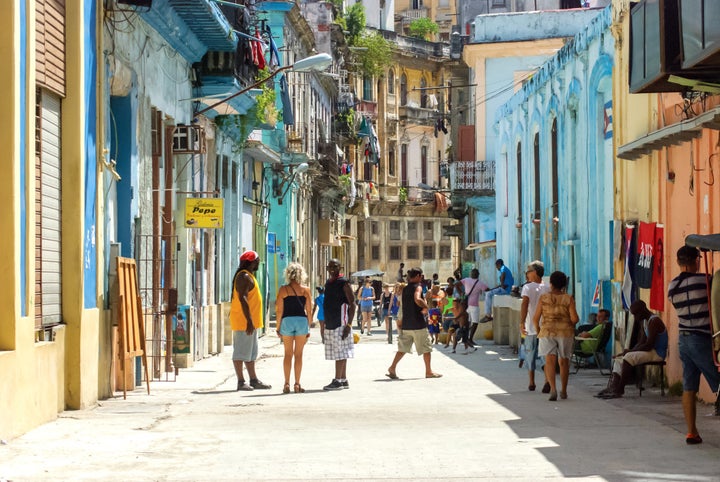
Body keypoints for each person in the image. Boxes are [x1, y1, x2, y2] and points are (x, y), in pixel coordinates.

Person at [667, 245, 720, 445]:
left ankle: (691, 432)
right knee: (718, 382)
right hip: (702, 338)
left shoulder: (672, 287)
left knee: (689, 386)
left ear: (679, 262)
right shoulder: (705, 280)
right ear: (695, 260)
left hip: (684, 339)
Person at [596, 300, 667, 400]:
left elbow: (649, 345)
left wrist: (630, 352)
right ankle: (613, 387)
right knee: (619, 359)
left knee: (629, 357)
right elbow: (642, 341)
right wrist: (628, 351)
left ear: (642, 311)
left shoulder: (654, 321)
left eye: (636, 314)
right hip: (651, 351)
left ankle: (620, 389)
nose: (635, 318)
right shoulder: (646, 321)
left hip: (657, 353)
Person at [386, 268, 442, 380]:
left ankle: (392, 368)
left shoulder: (405, 289)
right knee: (426, 349)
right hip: (418, 324)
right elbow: (417, 299)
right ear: (417, 276)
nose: (421, 278)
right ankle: (429, 371)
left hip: (407, 324)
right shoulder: (418, 287)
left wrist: (425, 299)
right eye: (421, 276)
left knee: (402, 348)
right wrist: (426, 307)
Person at [229, 250, 272, 392]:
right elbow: (243, 298)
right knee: (241, 352)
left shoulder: (249, 276)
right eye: (257, 260)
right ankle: (241, 381)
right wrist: (249, 320)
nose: (258, 263)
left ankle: (253, 380)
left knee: (251, 353)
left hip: (250, 323)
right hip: (244, 322)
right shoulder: (244, 277)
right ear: (251, 262)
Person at [533, 271, 579, 401]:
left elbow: (535, 319)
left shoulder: (543, 298)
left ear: (551, 284)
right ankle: (563, 391)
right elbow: (575, 318)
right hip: (565, 332)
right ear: (564, 284)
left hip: (547, 331)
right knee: (564, 361)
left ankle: (553, 389)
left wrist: (538, 331)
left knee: (549, 361)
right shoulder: (568, 298)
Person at [275, 263, 313, 394]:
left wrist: (278, 327)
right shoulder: (306, 290)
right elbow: (309, 310)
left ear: (288, 274)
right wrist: (309, 326)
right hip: (302, 322)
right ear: (301, 275)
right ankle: (297, 384)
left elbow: (279, 310)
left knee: (287, 354)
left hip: (287, 321)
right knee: (299, 355)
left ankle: (286, 384)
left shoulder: (283, 290)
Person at [322, 259, 356, 391]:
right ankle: (343, 379)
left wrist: (349, 324)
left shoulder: (343, 283)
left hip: (341, 323)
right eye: (330, 266)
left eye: (335, 266)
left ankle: (337, 381)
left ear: (340, 268)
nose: (332, 268)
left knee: (340, 352)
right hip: (330, 322)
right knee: (341, 351)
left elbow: (352, 303)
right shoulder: (328, 283)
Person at [520, 261, 550, 392]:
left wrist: (521, 322)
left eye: (529, 271)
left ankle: (531, 382)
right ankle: (547, 380)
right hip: (545, 327)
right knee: (546, 355)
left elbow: (525, 305)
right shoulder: (548, 287)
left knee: (530, 354)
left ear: (535, 272)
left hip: (531, 327)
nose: (527, 273)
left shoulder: (527, 287)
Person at [460, 269, 489, 341]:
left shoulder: (466, 280)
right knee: (475, 323)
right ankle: (470, 339)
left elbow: (456, 284)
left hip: (466, 305)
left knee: (468, 322)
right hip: (474, 305)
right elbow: (488, 289)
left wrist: (461, 293)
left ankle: (465, 338)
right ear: (478, 275)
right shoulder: (480, 283)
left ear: (470, 274)